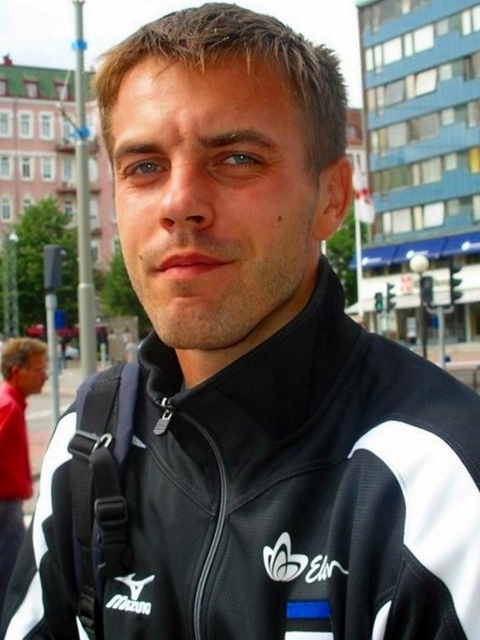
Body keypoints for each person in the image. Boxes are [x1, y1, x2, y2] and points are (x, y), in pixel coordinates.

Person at [2, 4, 480, 638]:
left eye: (237, 159)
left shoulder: (440, 483)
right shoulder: (88, 443)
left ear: (332, 197)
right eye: (144, 167)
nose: (180, 204)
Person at [0, 338, 47, 617]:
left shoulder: (10, 403)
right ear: (17, 372)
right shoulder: (8, 406)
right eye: (39, 370)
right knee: (13, 581)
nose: (45, 376)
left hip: (8, 505)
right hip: (4, 508)